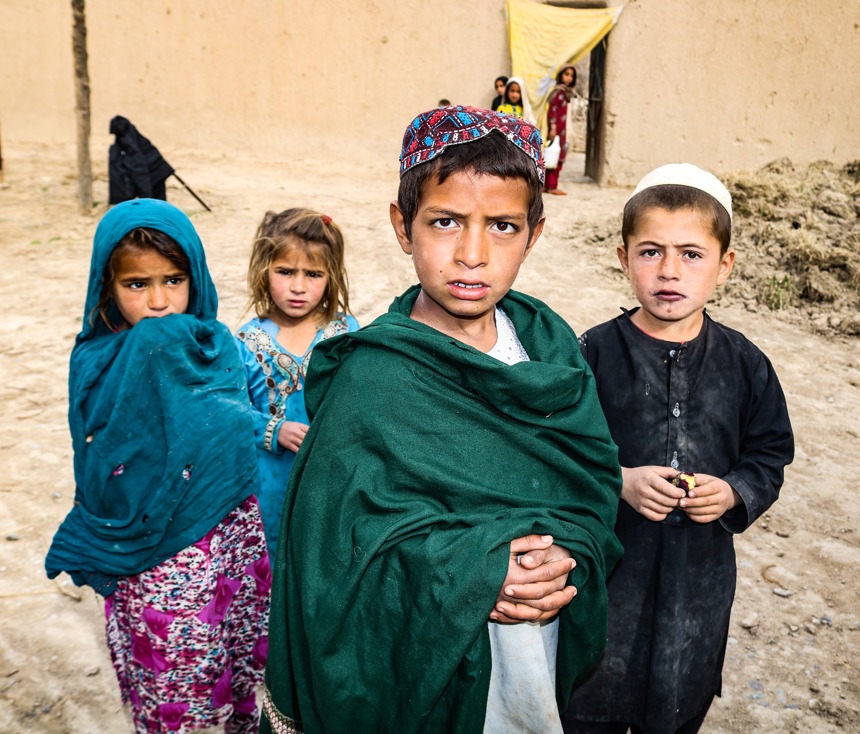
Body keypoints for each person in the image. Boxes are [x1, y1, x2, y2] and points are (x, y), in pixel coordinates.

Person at [261, 106, 624, 734]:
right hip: (422, 666)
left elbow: (590, 486)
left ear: (534, 234)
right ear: (404, 227)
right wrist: (474, 573)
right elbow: (333, 550)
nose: (472, 254)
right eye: (446, 221)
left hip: (532, 650)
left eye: (503, 225)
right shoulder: (371, 378)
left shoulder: (550, 350)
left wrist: (565, 558)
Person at [562, 164, 795, 734]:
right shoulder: (588, 354)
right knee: (589, 699)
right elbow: (556, 450)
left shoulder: (746, 365)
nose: (669, 271)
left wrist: (734, 492)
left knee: (678, 699)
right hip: (609, 578)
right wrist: (617, 479)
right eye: (650, 252)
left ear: (726, 264)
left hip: (699, 585)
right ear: (622, 258)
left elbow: (768, 454)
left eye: (691, 254)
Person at [45, 199, 270, 734]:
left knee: (235, 671)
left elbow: (235, 435)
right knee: (177, 690)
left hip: (226, 542)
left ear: (196, 275)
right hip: (155, 561)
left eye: (173, 279)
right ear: (107, 286)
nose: (159, 302)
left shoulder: (218, 348)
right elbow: (101, 457)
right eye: (137, 285)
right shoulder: (99, 360)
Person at [235, 208, 359, 558]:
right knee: (273, 559)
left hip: (332, 480)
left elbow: (365, 401)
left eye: (313, 274)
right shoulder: (245, 342)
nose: (299, 286)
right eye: (285, 271)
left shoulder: (345, 332)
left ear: (331, 275)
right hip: (269, 484)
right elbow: (231, 413)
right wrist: (274, 429)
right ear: (264, 269)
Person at [544, 64, 579, 196]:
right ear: (560, 75)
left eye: (571, 76)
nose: (569, 78)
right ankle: (552, 186)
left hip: (562, 130)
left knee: (555, 155)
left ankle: (548, 185)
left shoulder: (566, 92)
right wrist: (552, 127)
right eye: (566, 74)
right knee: (555, 155)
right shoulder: (558, 92)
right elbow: (552, 110)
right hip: (557, 130)